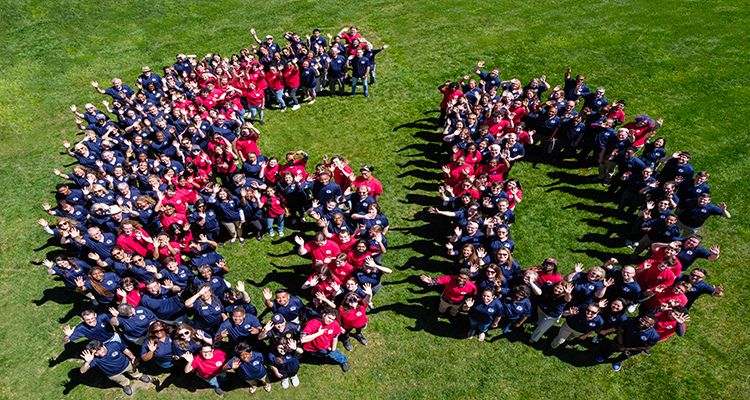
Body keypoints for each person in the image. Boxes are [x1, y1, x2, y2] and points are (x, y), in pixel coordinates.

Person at [80, 340, 151, 396]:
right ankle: (125, 384)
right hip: (113, 374)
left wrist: (132, 357)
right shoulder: (93, 359)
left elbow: (125, 350)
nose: (100, 353)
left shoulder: (114, 345)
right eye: (95, 353)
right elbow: (82, 371)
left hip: (126, 365)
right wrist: (87, 362)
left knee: (133, 371)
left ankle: (138, 376)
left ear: (103, 345)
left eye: (100, 349)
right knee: (121, 380)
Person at [300, 307, 349, 372]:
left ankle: (343, 361)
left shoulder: (334, 324)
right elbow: (302, 339)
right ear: (323, 315)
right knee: (313, 356)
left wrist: (333, 348)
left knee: (335, 355)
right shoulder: (313, 323)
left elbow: (336, 335)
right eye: (329, 318)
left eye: (332, 319)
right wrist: (318, 333)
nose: (330, 321)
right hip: (311, 347)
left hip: (326, 347)